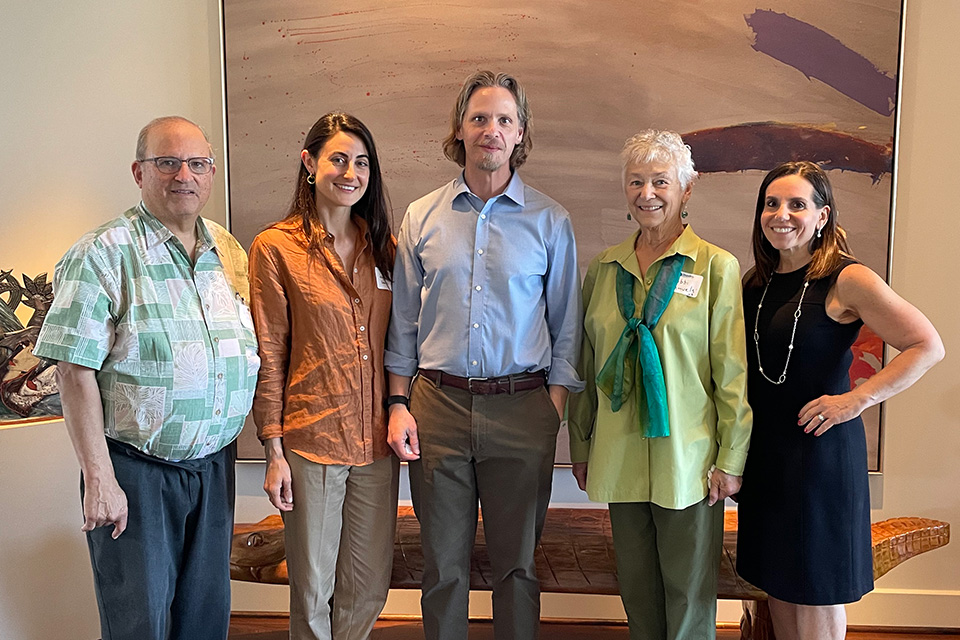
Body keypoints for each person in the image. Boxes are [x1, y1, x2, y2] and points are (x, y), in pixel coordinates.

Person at [33, 116, 260, 640]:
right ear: (139, 172)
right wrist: (99, 478)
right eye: (167, 163)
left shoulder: (228, 252)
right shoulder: (101, 253)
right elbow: (72, 370)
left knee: (205, 621)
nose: (184, 175)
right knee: (141, 624)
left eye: (197, 164)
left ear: (211, 172)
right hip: (135, 475)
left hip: (213, 470)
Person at [384, 70, 583, 639]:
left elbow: (565, 324)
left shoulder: (551, 221)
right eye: (479, 118)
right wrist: (398, 402)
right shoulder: (422, 217)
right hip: (436, 409)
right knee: (442, 568)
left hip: (524, 409)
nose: (490, 130)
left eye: (503, 120)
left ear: (520, 133)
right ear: (459, 129)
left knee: (517, 568)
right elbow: (403, 323)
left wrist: (553, 406)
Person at [736, 161, 944, 640]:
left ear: (822, 215)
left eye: (797, 204)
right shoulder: (755, 282)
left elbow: (927, 345)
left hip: (819, 459)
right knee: (780, 586)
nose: (780, 214)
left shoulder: (847, 279)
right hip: (767, 456)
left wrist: (856, 400)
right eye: (771, 203)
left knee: (816, 590)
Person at [568, 130, 752, 640]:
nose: (646, 193)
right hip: (618, 451)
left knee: (690, 596)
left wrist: (730, 459)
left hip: (689, 459)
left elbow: (731, 374)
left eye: (660, 182)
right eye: (636, 182)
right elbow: (585, 366)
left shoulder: (715, 267)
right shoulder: (605, 269)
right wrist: (580, 445)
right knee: (638, 591)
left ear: (686, 189)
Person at [248, 112, 400, 640]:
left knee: (368, 586)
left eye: (361, 162)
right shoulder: (276, 247)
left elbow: (398, 345)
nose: (351, 172)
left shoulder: (384, 246)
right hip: (311, 441)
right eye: (338, 159)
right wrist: (272, 450)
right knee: (311, 590)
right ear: (310, 163)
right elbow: (269, 351)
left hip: (375, 445)